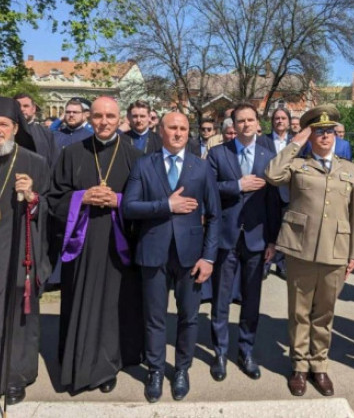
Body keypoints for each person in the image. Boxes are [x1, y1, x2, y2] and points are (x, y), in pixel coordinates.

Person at [265, 105, 354, 397]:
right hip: (301, 250)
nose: (325, 136)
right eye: (318, 131)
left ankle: (319, 366)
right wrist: (296, 142)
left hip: (336, 250)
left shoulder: (350, 169)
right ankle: (299, 366)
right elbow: (271, 174)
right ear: (309, 134)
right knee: (299, 312)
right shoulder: (298, 165)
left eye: (329, 131)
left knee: (325, 313)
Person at [122, 112, 221, 402]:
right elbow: (129, 207)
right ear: (160, 130)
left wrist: (209, 257)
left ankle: (181, 369)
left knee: (189, 317)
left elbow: (215, 216)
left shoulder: (201, 168)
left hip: (191, 256)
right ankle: (154, 370)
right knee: (154, 318)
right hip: (153, 252)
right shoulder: (144, 164)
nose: (178, 133)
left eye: (183, 128)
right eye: (172, 128)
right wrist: (166, 205)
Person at [48, 96, 143, 394]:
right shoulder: (72, 153)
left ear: (119, 119)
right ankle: (76, 361)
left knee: (112, 306)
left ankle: (106, 366)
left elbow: (144, 203)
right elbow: (54, 198)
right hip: (82, 245)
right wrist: (82, 198)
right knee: (78, 301)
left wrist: (118, 200)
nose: (104, 122)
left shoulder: (134, 156)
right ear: (91, 118)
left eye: (110, 117)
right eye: (99, 116)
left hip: (118, 245)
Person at [207, 102, 280, 382]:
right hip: (226, 236)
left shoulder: (268, 154)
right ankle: (220, 353)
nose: (246, 124)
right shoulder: (217, 153)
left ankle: (246, 350)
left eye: (250, 120)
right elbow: (209, 189)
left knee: (252, 299)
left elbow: (274, 202)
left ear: (257, 123)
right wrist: (238, 186)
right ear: (233, 125)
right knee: (221, 298)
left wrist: (273, 240)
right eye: (241, 120)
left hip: (257, 237)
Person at [0, 97, 51, 406]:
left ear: (15, 128)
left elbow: (51, 209)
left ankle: (15, 377)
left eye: (3, 125)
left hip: (18, 249)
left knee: (18, 312)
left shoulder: (34, 162)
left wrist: (32, 196)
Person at [263, 107, 294, 280]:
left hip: (289, 192)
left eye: (283, 118)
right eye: (276, 118)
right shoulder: (262, 140)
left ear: (289, 122)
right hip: (268, 191)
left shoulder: (296, 141)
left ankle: (281, 264)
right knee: (269, 227)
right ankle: (266, 263)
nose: (280, 121)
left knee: (285, 229)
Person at [14, 93, 60, 168]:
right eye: (18, 106)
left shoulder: (46, 133)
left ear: (33, 109)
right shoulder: (6, 132)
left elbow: (55, 162)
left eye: (26, 106)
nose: (22, 109)